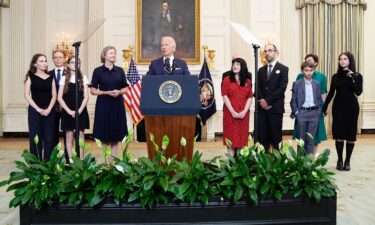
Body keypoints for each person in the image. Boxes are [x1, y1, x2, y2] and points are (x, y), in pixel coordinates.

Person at [322, 52, 363, 171]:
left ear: (350, 60)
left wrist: (354, 78)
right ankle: (340, 159)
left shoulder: (357, 75)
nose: (342, 61)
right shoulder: (336, 76)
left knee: (350, 135)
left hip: (352, 108)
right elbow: (331, 93)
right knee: (339, 135)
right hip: (338, 108)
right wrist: (324, 107)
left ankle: (347, 161)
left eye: (345, 59)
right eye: (340, 59)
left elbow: (359, 92)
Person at [90, 46, 129, 157]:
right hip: (103, 105)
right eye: (111, 53)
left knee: (116, 135)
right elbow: (92, 90)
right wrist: (105, 92)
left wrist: (119, 92)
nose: (113, 55)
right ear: (105, 55)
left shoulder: (120, 70)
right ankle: (107, 163)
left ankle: (114, 163)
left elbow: (125, 88)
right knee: (104, 135)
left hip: (117, 105)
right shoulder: (97, 71)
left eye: (114, 53)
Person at [255, 44, 289, 151]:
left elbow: (281, 88)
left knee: (276, 138)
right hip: (262, 110)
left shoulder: (283, 69)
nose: (267, 53)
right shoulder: (260, 70)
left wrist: (268, 101)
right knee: (263, 139)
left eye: (270, 50)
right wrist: (262, 101)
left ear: (276, 52)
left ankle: (277, 164)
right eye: (265, 51)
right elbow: (257, 88)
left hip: (275, 109)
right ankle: (264, 165)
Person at [24, 54, 57, 160]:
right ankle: (35, 165)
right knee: (35, 138)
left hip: (49, 111)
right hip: (34, 111)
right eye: (41, 61)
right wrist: (38, 109)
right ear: (35, 64)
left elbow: (54, 95)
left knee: (49, 138)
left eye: (45, 61)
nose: (44, 63)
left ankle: (48, 164)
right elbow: (26, 95)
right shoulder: (30, 77)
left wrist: (48, 109)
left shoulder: (51, 78)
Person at [292, 54, 327, 154]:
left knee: (311, 140)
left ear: (314, 70)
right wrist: (297, 113)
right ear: (303, 71)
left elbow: (320, 98)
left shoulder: (317, 83)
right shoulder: (297, 83)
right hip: (302, 113)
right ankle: (300, 162)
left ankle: (309, 163)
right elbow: (293, 100)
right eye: (306, 70)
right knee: (301, 140)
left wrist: (319, 111)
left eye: (311, 70)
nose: (308, 72)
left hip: (314, 114)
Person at [57, 56, 90, 162]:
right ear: (68, 64)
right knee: (69, 135)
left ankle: (80, 159)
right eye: (72, 62)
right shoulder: (64, 78)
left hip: (80, 110)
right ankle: (71, 160)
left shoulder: (83, 78)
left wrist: (79, 110)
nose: (74, 64)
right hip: (68, 111)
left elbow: (86, 97)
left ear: (79, 65)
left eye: (77, 62)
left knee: (80, 134)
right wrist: (68, 111)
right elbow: (59, 97)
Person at [222, 58, 252, 157]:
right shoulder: (227, 80)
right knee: (231, 138)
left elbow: (250, 97)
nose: (234, 66)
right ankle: (231, 165)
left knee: (241, 139)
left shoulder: (247, 81)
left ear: (242, 66)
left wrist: (244, 111)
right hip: (230, 114)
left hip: (244, 114)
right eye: (233, 64)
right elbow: (224, 96)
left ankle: (240, 165)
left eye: (237, 64)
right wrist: (233, 112)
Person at [49, 50, 69, 159]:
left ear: (64, 59)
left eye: (60, 57)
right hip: (52, 108)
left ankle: (67, 158)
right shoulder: (48, 74)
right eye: (55, 57)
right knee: (52, 133)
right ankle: (54, 159)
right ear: (53, 59)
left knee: (67, 134)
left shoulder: (69, 73)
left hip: (66, 107)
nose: (58, 59)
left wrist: (63, 104)